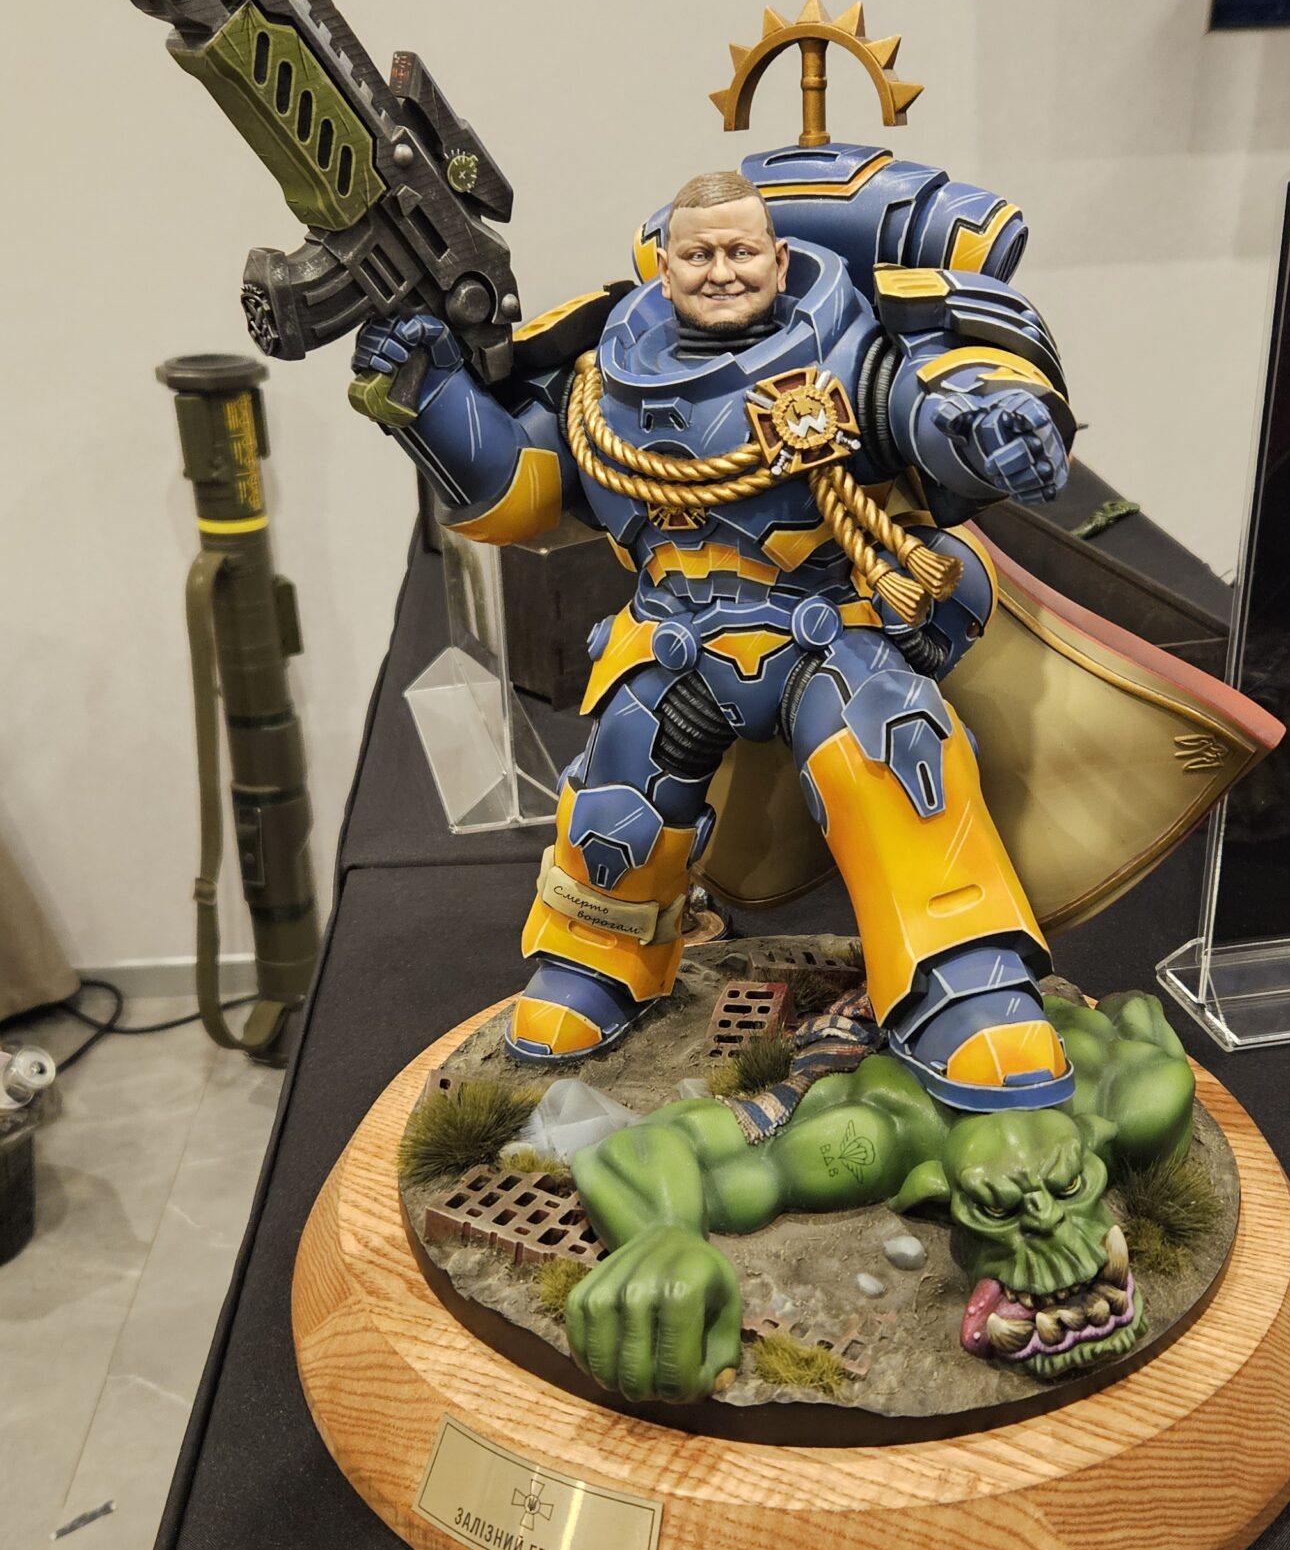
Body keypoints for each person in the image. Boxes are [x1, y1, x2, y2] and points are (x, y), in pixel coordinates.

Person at [353, 165, 1079, 1112]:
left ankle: (961, 981)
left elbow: (930, 404)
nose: (722, 271)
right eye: (699, 254)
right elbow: (517, 489)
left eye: (741, 251)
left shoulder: (850, 348)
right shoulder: (600, 372)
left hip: (826, 627)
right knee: (620, 782)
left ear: (779, 257)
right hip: (677, 638)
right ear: (664, 265)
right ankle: (597, 956)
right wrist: (431, 394)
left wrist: (988, 426)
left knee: (897, 757)